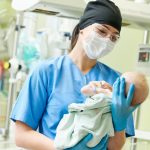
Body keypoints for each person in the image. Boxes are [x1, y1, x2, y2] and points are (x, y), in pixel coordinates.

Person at [10, 0, 139, 149]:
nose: (107, 40)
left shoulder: (116, 81)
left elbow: (115, 146)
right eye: (102, 31)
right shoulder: (46, 72)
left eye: (113, 37)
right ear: (82, 28)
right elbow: (21, 135)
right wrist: (62, 148)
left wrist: (120, 122)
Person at [54, 72, 149, 150]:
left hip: (76, 133)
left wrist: (97, 90)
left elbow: (115, 146)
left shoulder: (117, 105)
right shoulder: (121, 107)